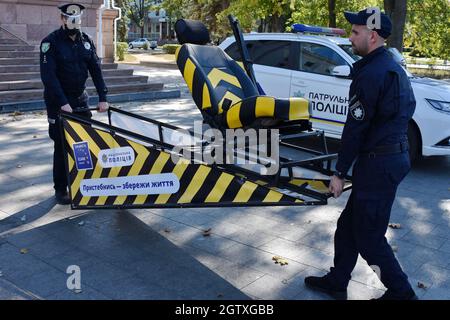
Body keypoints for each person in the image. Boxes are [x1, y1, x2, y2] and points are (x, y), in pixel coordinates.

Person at [304, 8, 417, 300]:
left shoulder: (371, 73)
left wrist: (339, 173)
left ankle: (401, 292)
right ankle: (338, 280)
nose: (351, 38)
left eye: (355, 32)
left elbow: (355, 128)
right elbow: (407, 109)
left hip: (379, 164)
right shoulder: (393, 66)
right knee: (348, 227)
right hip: (391, 158)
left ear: (373, 35)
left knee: (369, 238)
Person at [40, 3, 109, 205]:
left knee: (83, 143)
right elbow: (48, 77)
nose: (73, 22)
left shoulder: (85, 42)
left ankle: (82, 183)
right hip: (58, 102)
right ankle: (60, 188)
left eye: (76, 18)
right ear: (62, 19)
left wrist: (103, 97)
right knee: (61, 145)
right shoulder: (50, 43)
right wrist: (62, 102)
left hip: (80, 100)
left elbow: (96, 70)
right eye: (69, 18)